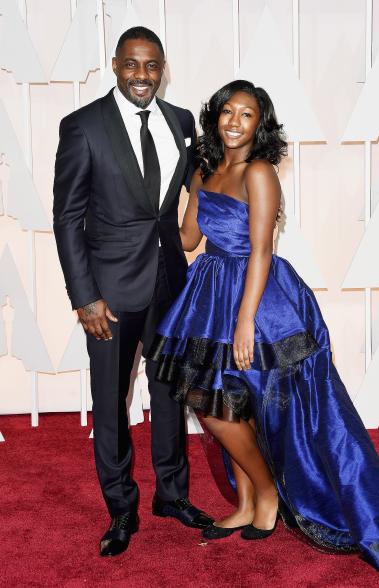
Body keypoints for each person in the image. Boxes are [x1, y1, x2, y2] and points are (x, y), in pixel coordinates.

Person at [149, 80, 379, 575]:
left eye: (247, 114)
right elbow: (190, 237)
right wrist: (145, 208)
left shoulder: (259, 172)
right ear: (214, 116)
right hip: (210, 286)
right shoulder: (205, 170)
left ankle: (266, 493)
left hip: (256, 297)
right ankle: (246, 503)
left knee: (232, 402)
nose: (235, 121)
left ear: (260, 124)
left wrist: (243, 323)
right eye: (227, 112)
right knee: (220, 404)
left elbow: (261, 250)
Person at [53, 26, 213, 557]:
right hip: (109, 295)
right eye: (132, 64)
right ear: (116, 64)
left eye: (151, 66)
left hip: (171, 281)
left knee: (171, 396)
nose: (141, 76)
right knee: (110, 405)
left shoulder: (180, 122)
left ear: (161, 68)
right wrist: (84, 297)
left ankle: (171, 495)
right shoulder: (82, 127)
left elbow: (198, 183)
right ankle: (122, 508)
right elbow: (67, 217)